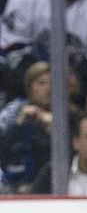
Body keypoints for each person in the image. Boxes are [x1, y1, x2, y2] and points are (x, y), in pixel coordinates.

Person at [0, 60, 52, 193]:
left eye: (52, 83)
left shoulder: (65, 114)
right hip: (15, 183)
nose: (48, 88)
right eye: (41, 83)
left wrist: (53, 130)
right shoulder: (13, 110)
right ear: (30, 86)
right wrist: (18, 124)